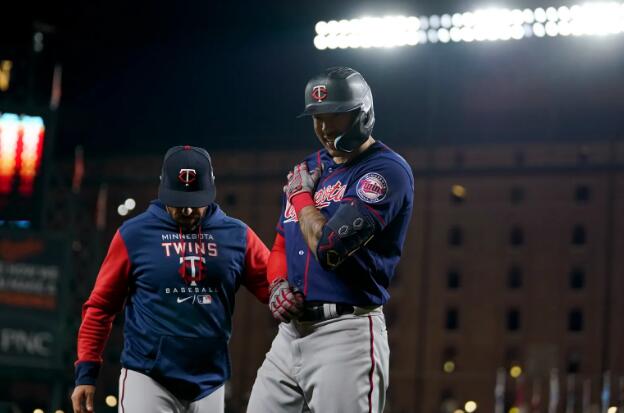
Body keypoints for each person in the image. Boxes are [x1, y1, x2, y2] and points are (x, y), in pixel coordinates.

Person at [247, 66, 414, 412]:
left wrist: (301, 198)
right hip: (290, 335)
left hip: (346, 334)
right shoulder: (310, 166)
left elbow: (331, 247)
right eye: (317, 117)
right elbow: (281, 241)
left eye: (334, 115)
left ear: (362, 113)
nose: (323, 128)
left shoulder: (384, 171)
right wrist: (277, 282)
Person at [71, 145, 270, 413]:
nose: (186, 211)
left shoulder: (238, 236)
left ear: (211, 189)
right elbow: (101, 307)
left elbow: (278, 290)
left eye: (194, 202)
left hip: (210, 382)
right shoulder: (134, 235)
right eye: (178, 202)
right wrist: (86, 372)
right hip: (148, 378)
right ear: (162, 189)